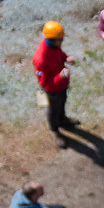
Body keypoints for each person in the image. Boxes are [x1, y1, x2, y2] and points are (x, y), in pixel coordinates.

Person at [32, 21, 76, 149]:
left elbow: (59, 53)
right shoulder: (41, 59)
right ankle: (55, 130)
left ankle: (63, 120)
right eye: (60, 40)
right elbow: (44, 82)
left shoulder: (53, 46)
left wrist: (66, 58)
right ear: (51, 40)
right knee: (53, 110)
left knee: (62, 103)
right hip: (52, 90)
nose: (62, 42)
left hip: (62, 85)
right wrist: (60, 76)